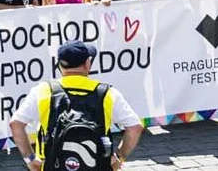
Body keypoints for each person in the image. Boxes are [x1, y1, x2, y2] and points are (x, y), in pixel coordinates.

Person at [8, 41, 144, 171]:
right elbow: (135, 127)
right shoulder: (107, 94)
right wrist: (119, 157)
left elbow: (16, 124)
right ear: (87, 63)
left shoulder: (43, 91)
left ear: (60, 65)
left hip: (52, 165)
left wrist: (30, 159)